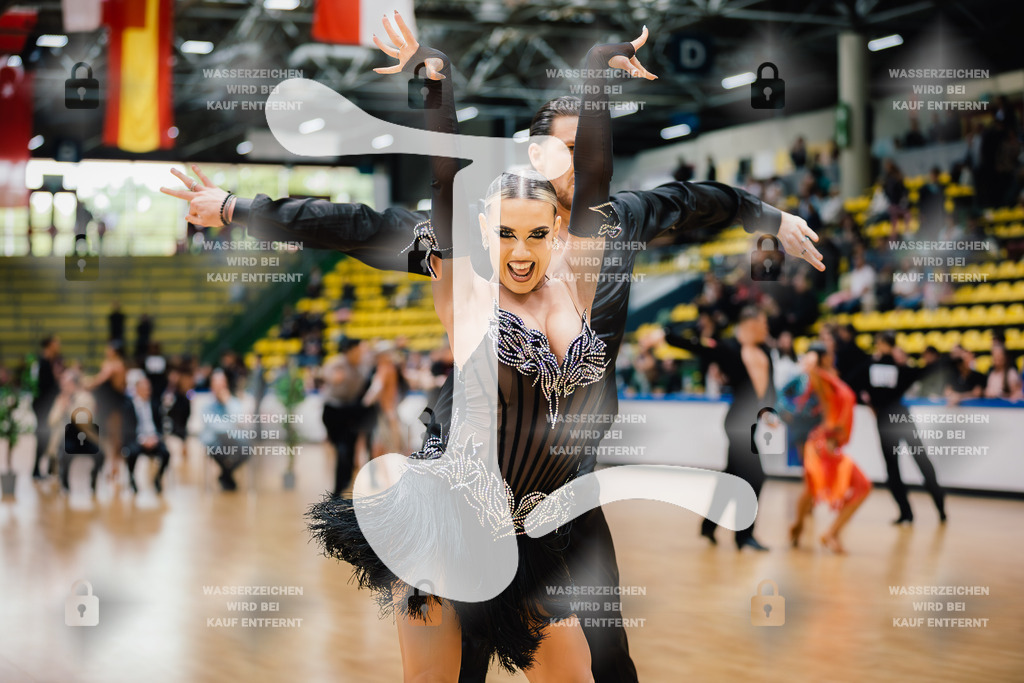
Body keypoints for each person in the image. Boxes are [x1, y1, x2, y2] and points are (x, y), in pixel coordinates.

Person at [161, 23, 822, 682]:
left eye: (587, 145)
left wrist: (771, 217)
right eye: (565, 149)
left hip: (564, 485)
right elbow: (359, 224)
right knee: (460, 657)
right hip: (468, 472)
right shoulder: (473, 244)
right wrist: (235, 207)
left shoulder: (610, 228)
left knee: (606, 654)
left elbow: (693, 200)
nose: (578, 160)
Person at [303, 20, 653, 680]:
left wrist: (595, 73)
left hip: (534, 530)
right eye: (505, 233)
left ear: (557, 233)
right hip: (452, 519)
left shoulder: (574, 285)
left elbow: (595, 179)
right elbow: (445, 179)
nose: (521, 248)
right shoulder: (465, 290)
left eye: (537, 233)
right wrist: (437, 88)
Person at [663, 305, 776, 551]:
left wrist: (771, 413)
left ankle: (709, 526)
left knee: (731, 478)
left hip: (752, 423)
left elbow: (769, 389)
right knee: (756, 477)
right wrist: (682, 329)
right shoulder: (728, 348)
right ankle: (744, 536)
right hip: (737, 424)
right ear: (750, 324)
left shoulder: (766, 351)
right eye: (763, 322)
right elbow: (687, 343)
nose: (767, 327)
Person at [789, 344, 872, 554]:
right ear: (823, 357)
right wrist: (812, 360)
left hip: (829, 444)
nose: (832, 356)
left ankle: (802, 527)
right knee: (861, 485)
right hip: (824, 444)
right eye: (828, 354)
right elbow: (810, 372)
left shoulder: (833, 377)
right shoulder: (820, 378)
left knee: (811, 488)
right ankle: (826, 532)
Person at [858, 332, 945, 524]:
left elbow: (855, 385)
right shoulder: (900, 368)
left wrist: (871, 403)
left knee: (893, 469)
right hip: (901, 417)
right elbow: (923, 372)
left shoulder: (869, 366)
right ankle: (940, 508)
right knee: (922, 460)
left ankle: (906, 513)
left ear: (881, 343)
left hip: (885, 420)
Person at [320, 340, 373, 497]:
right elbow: (325, 374)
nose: (359, 354)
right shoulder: (337, 363)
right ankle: (339, 489)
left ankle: (344, 484)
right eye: (357, 351)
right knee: (342, 449)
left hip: (351, 410)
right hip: (333, 410)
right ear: (348, 351)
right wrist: (333, 377)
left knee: (349, 450)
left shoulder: (363, 363)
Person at [51, 370, 102, 495]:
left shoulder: (86, 398)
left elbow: (84, 420)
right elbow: (51, 421)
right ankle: (64, 484)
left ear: (73, 384)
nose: (63, 387)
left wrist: (68, 407)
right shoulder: (60, 399)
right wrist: (61, 408)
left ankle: (93, 478)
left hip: (85, 436)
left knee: (101, 455)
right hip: (66, 437)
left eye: (65, 384)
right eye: (62, 384)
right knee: (63, 452)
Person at [85, 340, 128, 482]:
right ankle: (113, 467)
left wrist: (86, 384)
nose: (106, 351)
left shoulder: (114, 365)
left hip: (113, 405)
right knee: (112, 437)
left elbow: (99, 380)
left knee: (113, 437)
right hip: (111, 403)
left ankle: (114, 468)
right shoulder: (118, 364)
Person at [200, 370, 249, 491]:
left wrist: (228, 402)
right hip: (215, 440)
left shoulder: (233, 402)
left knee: (247, 448)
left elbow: (239, 420)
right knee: (215, 448)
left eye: (221, 384)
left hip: (232, 438)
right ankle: (227, 476)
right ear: (212, 386)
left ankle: (225, 474)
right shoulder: (206, 405)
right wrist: (229, 426)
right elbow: (213, 425)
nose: (219, 388)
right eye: (216, 385)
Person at [122, 376, 171, 494]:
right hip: (137, 440)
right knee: (132, 453)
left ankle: (158, 478)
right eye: (144, 388)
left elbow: (160, 425)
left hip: (154, 439)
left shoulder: (155, 404)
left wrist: (156, 437)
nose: (147, 391)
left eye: (148, 388)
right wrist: (142, 440)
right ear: (137, 389)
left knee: (166, 453)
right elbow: (127, 429)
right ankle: (132, 478)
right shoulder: (129, 406)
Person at [31, 335, 61, 480]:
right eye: (56, 343)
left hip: (48, 405)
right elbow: (43, 386)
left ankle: (47, 467)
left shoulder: (51, 361)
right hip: (42, 406)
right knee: (43, 436)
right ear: (49, 345)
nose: (58, 345)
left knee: (50, 436)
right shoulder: (42, 362)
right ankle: (36, 469)